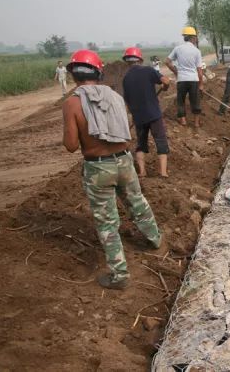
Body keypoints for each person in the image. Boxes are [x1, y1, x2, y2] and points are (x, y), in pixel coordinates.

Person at [62, 49, 164, 290]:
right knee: (137, 202)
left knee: (107, 222)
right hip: (124, 160)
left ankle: (119, 276)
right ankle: (155, 240)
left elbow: (70, 145)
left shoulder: (72, 103)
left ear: (73, 75)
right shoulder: (115, 97)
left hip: (98, 168)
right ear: (99, 72)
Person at [122, 47, 172, 178]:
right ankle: (163, 172)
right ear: (140, 59)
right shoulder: (148, 70)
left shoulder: (126, 78)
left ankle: (142, 172)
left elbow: (127, 100)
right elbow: (166, 81)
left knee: (140, 144)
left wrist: (133, 115)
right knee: (161, 141)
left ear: (127, 61)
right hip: (153, 114)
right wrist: (165, 87)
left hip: (138, 116)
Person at [165, 27, 204, 127]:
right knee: (195, 101)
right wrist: (201, 84)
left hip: (181, 80)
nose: (196, 39)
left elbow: (167, 62)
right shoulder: (196, 51)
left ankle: (183, 120)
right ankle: (196, 123)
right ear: (193, 38)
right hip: (193, 80)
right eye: (195, 37)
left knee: (181, 100)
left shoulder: (178, 49)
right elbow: (200, 71)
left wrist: (176, 72)